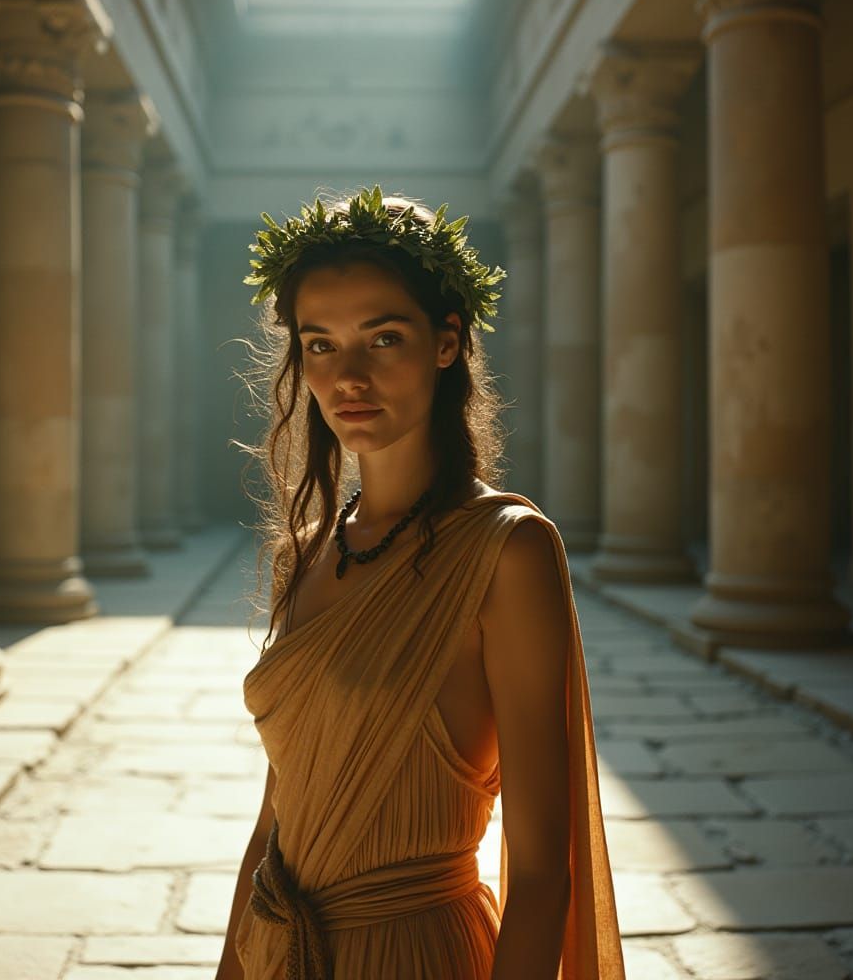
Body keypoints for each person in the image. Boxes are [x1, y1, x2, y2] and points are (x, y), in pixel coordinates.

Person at [216, 186, 625, 980]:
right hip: (282, 951)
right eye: (320, 344)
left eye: (384, 337)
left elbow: (544, 875)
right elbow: (277, 820)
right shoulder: (301, 553)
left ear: (446, 342)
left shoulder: (509, 553)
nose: (349, 376)